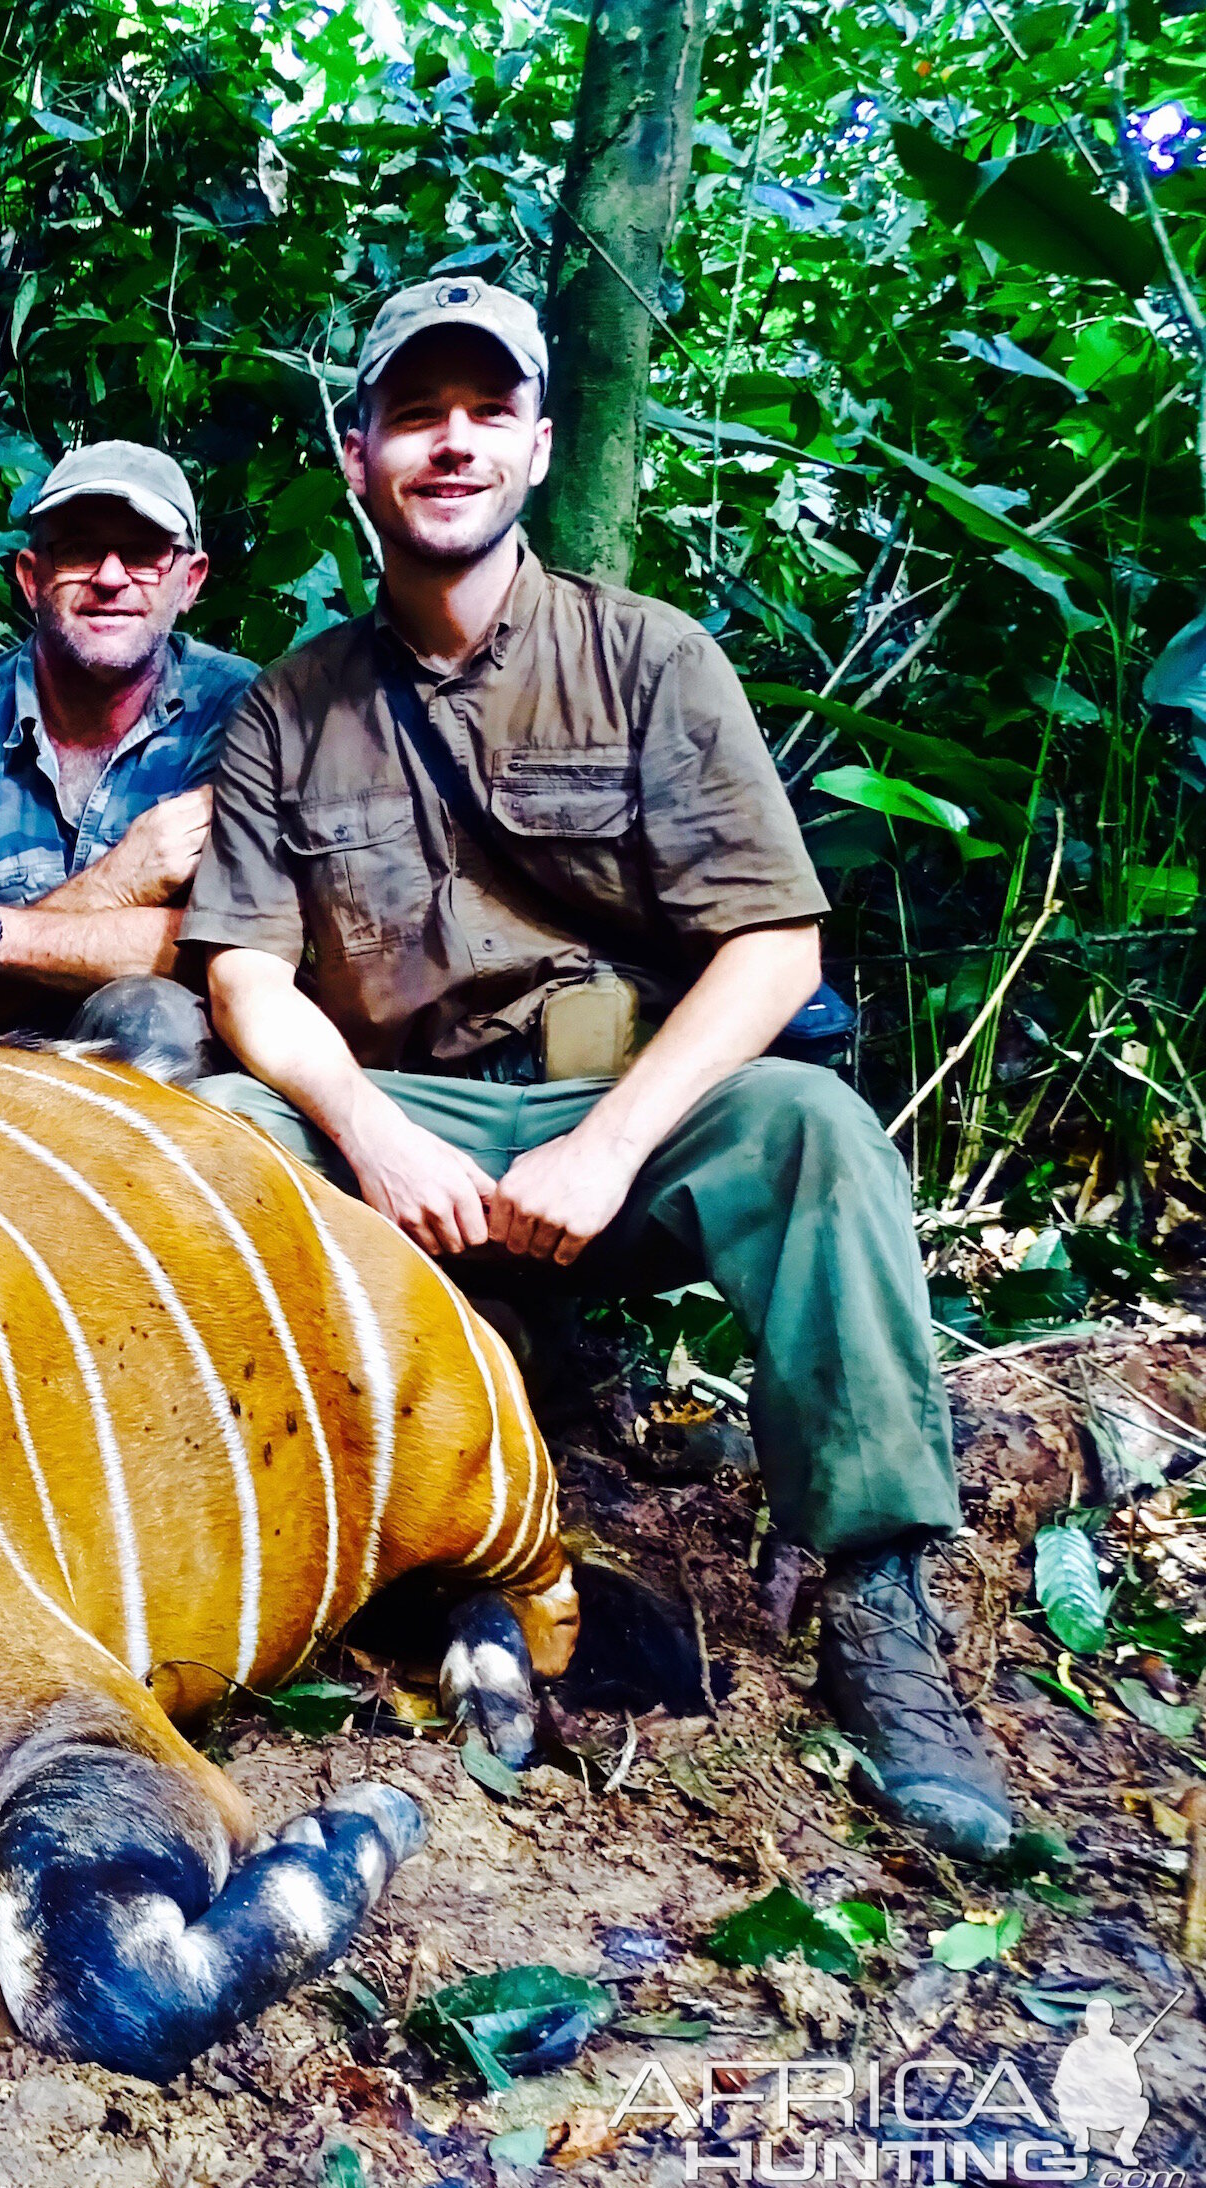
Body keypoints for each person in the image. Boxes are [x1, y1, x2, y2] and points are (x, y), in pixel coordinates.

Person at [180, 276, 1015, 1859]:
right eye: (414, 416)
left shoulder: (651, 659)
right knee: (218, 1131)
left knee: (816, 1132)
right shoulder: (292, 706)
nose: (450, 444)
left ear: (539, 444)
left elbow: (776, 951)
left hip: (607, 1113)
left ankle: (882, 1624)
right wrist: (363, 1129)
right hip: (403, 1128)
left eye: (484, 413)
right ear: (358, 455)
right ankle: (303, 1551)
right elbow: (245, 976)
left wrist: (612, 1145)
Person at [0, 441, 255, 1081]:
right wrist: (121, 881)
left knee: (150, 1016)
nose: (110, 577)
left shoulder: (244, 716)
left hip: (182, 1106)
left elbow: (238, 953)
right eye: (77, 549)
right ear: (30, 576)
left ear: (191, 581)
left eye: (146, 555)